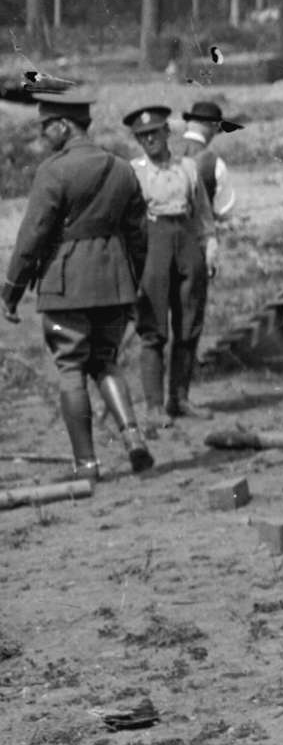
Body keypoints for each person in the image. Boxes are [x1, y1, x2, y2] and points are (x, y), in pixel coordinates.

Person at [5, 90, 155, 476]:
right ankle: (133, 438)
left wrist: (11, 289)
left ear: (63, 125)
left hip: (66, 284)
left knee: (71, 367)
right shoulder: (122, 169)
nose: (42, 135)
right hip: (114, 283)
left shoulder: (53, 171)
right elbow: (139, 236)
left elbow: (32, 237)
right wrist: (136, 285)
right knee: (105, 361)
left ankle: (87, 462)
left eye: (46, 127)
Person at [124, 103, 212, 421]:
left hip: (187, 242)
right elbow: (127, 222)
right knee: (153, 328)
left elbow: (203, 212)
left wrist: (210, 245)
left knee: (188, 325)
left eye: (154, 133)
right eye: (142, 136)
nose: (149, 140)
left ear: (167, 132)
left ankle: (181, 398)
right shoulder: (133, 173)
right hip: (152, 246)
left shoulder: (188, 167)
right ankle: (154, 406)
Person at [178, 98, 243, 416]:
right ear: (215, 127)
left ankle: (155, 400)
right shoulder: (212, 163)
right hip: (195, 249)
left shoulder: (163, 155)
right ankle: (180, 396)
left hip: (157, 250)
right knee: (189, 323)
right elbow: (225, 211)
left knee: (157, 327)